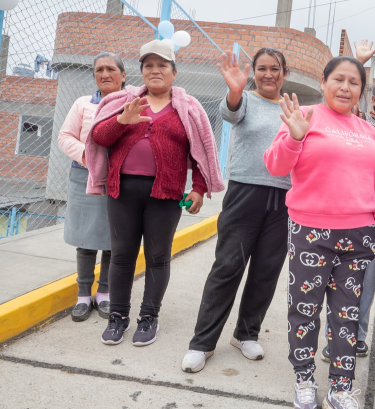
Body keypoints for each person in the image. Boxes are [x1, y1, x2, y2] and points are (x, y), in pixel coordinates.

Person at [264, 56, 375, 409]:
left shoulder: (367, 130)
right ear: (323, 81)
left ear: (361, 90)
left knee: (346, 314)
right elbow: (274, 166)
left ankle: (340, 389)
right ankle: (304, 380)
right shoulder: (303, 116)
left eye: (354, 82)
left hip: (358, 237)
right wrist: (295, 137)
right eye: (339, 79)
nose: (346, 87)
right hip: (311, 233)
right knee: (304, 309)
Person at [86, 40, 225, 347]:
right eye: (148, 65)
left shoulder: (189, 108)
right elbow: (98, 136)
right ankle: (118, 317)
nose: (155, 70)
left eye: (162, 65)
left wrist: (199, 188)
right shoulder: (124, 102)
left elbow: (200, 151)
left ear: (174, 73)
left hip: (166, 193)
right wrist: (122, 121)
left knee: (158, 257)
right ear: (141, 72)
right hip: (122, 191)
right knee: (121, 255)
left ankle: (149, 317)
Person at [182, 48, 292, 373]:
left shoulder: (292, 107)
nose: (268, 74)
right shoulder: (245, 100)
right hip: (245, 192)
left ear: (285, 73)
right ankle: (202, 342)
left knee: (266, 270)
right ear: (254, 72)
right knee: (228, 266)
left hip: (284, 197)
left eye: (275, 68)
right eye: (262, 68)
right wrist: (235, 90)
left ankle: (246, 334)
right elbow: (230, 113)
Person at [320, 76, 375, 363]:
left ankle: (357, 337)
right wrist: (360, 61)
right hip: (352, 213)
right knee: (342, 282)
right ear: (374, 99)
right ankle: (335, 338)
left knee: (367, 282)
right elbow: (344, 100)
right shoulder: (359, 123)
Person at [57, 52, 125, 322]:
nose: (105, 74)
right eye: (99, 70)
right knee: (85, 240)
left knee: (112, 240)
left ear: (123, 75)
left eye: (111, 69)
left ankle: (104, 294)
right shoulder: (83, 104)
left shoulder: (132, 104)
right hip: (84, 177)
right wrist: (87, 156)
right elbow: (65, 136)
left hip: (120, 180)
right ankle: (83, 296)